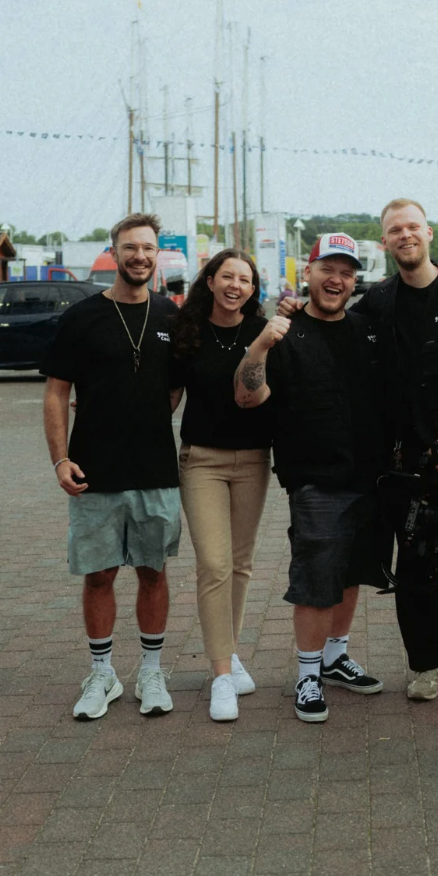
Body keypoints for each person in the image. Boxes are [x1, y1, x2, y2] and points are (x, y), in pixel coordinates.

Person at [281, 203, 438, 703]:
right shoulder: (377, 303)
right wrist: (291, 312)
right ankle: (427, 665)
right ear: (384, 243)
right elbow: (331, 323)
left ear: (428, 234)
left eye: (411, 227)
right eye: (394, 231)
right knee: (414, 568)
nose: (404, 236)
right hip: (404, 463)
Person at [234, 233, 384, 723]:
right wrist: (259, 346)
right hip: (314, 477)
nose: (336, 279)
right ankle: (307, 675)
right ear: (309, 273)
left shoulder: (365, 329)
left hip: (369, 475)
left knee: (352, 571)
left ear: (354, 280)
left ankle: (335, 656)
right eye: (327, 269)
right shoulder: (282, 332)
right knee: (317, 577)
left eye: (346, 271)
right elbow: (247, 398)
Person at [42, 213, 180, 721]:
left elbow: (176, 385)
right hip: (93, 472)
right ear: (115, 252)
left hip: (156, 472)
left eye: (147, 247)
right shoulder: (81, 319)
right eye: (130, 247)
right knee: (98, 575)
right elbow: (56, 393)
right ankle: (102, 673)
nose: (139, 256)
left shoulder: (170, 316)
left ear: (156, 254)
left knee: (153, 571)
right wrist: (60, 459)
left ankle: (151, 670)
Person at [170, 249, 272, 723]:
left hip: (253, 459)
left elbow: (256, 397)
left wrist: (262, 347)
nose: (235, 286)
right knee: (213, 563)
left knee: (239, 565)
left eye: (245, 280)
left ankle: (228, 657)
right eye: (227, 277)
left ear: (253, 290)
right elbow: (166, 397)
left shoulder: (262, 332)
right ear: (209, 281)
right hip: (201, 461)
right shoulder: (187, 332)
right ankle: (221, 675)